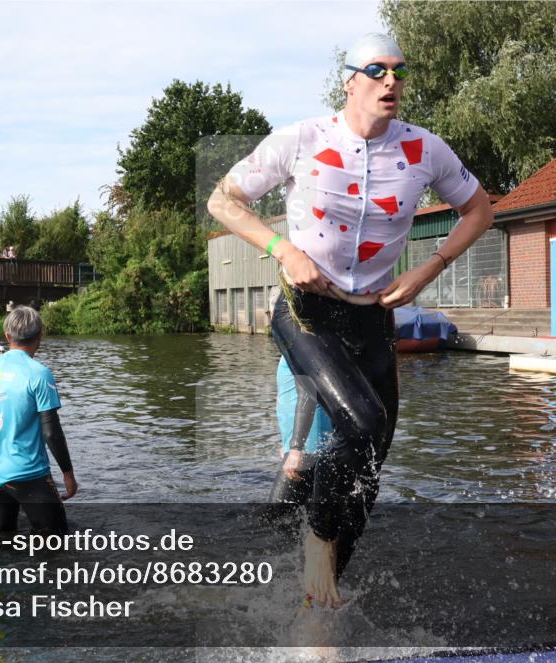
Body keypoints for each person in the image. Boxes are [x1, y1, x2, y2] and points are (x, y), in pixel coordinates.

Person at [208, 33, 494, 608]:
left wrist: (426, 271)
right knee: (360, 423)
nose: (392, 81)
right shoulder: (303, 139)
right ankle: (315, 541)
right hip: (306, 311)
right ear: (350, 81)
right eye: (377, 70)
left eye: (398, 72)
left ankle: (325, 598)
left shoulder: (423, 150)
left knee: (370, 468)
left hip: (373, 317)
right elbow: (223, 199)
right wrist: (282, 250)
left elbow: (480, 208)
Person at [0, 306, 78, 535]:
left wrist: (5, 435)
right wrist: (68, 474)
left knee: (2, 545)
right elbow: (52, 432)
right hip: (30, 473)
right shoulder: (39, 373)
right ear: (40, 335)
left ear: (8, 337)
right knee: (57, 547)